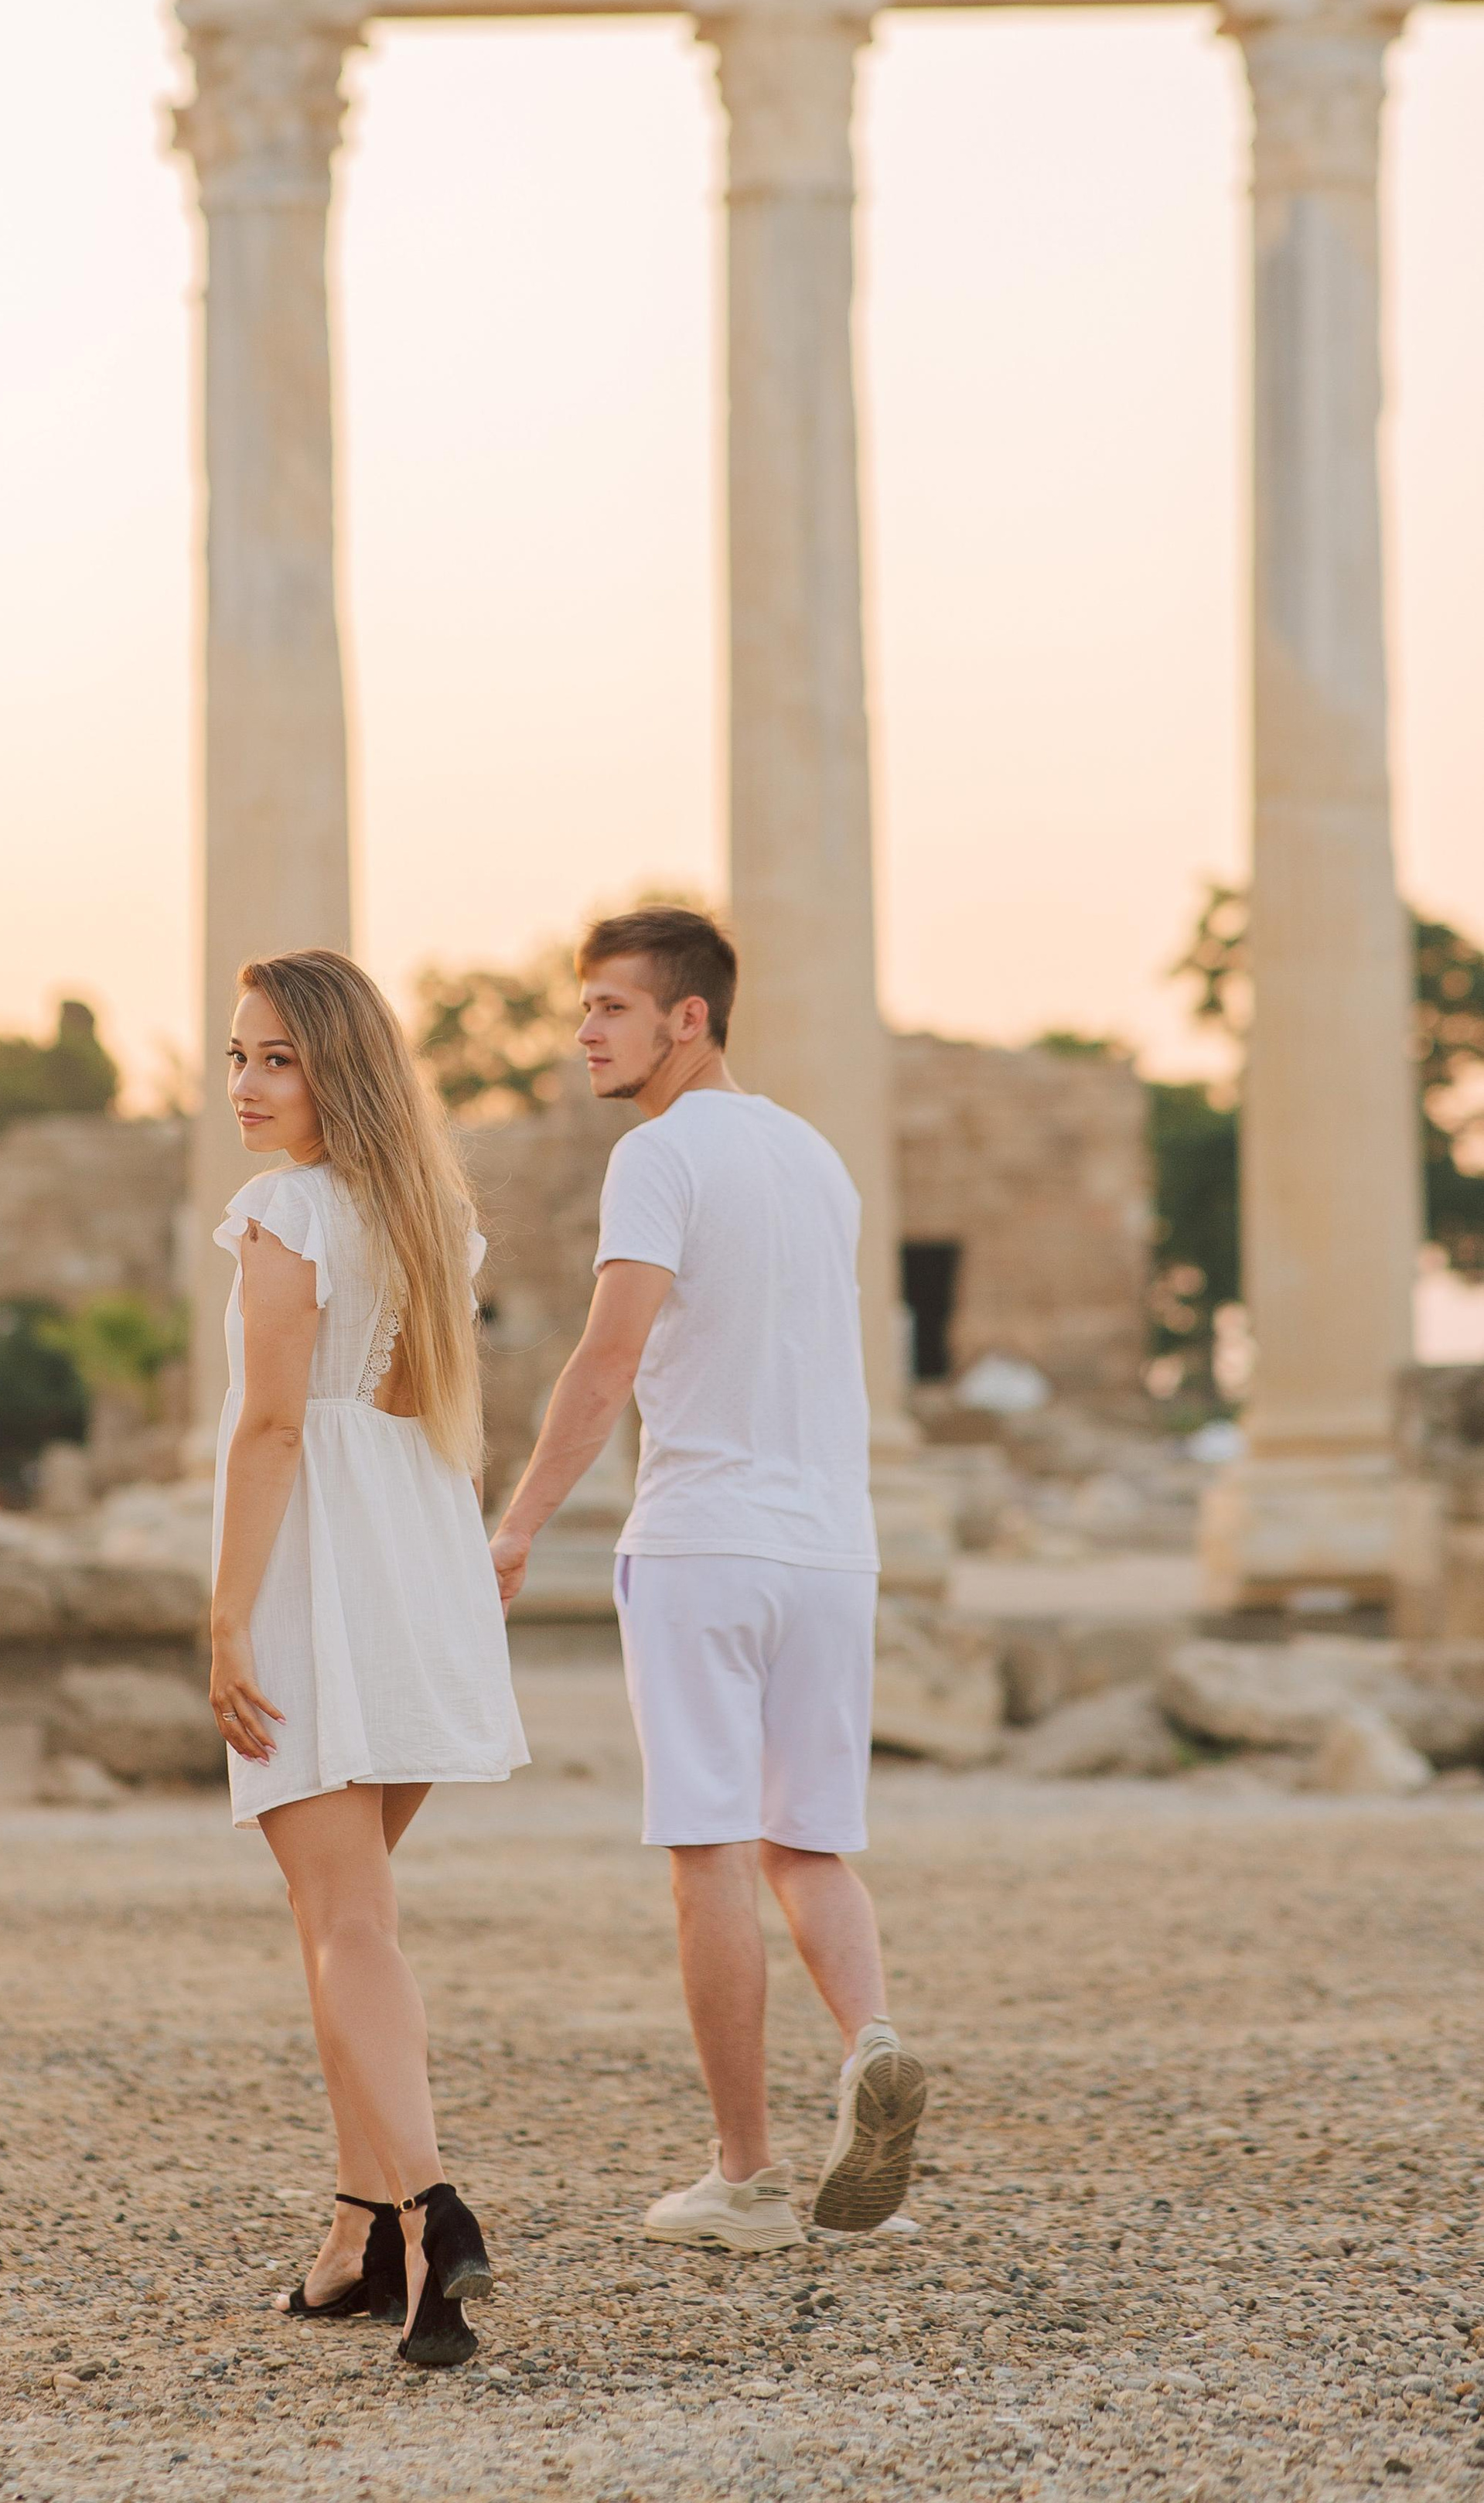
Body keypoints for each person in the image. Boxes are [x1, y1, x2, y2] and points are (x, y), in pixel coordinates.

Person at [488, 906, 923, 2257]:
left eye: (611, 1008)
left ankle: (743, 2180)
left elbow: (606, 1362)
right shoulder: (818, 1158)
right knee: (812, 1842)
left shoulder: (659, 1156)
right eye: (583, 1009)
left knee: (710, 1853)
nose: (585, 1034)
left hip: (702, 1542)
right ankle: (875, 2047)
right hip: (833, 1549)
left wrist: (514, 1530)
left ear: (690, 1017)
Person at [207, 947, 527, 2367]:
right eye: (237, 1056)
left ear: (342, 1065)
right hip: (417, 1555)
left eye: (280, 1056)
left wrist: (226, 1618)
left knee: (348, 1923)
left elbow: (273, 1429)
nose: (249, 1085)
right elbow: (418, 1402)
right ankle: (355, 2229)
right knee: (344, 1917)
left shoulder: (283, 1214)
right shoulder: (430, 1218)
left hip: (323, 1569)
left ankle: (429, 2209)